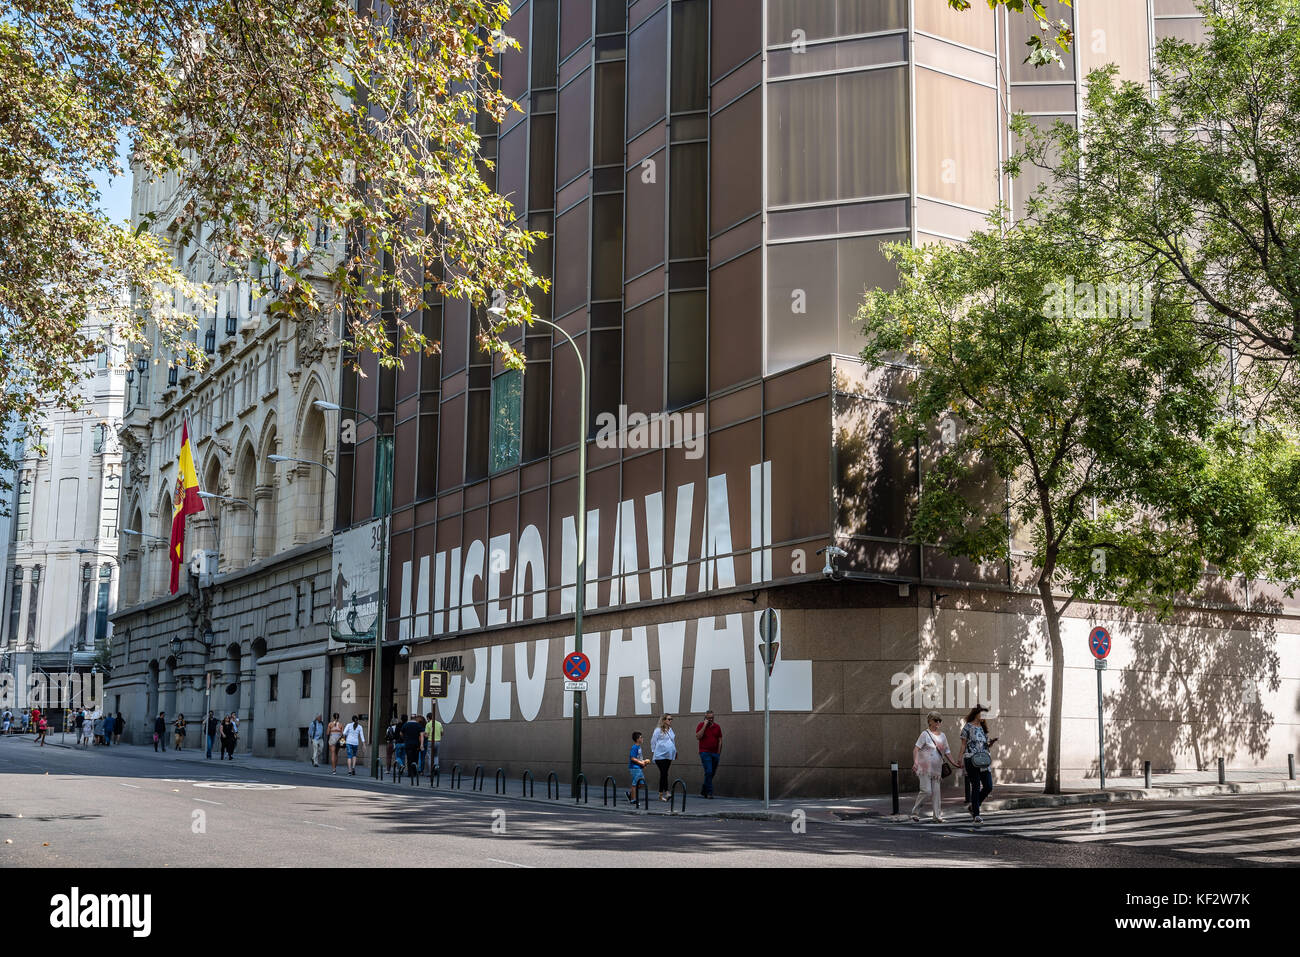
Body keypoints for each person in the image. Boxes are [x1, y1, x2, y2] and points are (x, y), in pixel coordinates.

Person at [911, 711, 961, 823]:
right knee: (926, 791)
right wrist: (915, 762)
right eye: (936, 720)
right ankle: (915, 812)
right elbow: (916, 749)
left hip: (936, 769)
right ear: (930, 721)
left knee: (936, 793)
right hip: (924, 768)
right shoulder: (925, 734)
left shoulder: (943, 736)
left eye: (940, 720)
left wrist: (954, 763)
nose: (938, 722)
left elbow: (947, 751)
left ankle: (937, 816)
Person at [961, 705, 996, 824]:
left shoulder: (983, 728)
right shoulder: (967, 727)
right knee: (975, 786)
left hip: (984, 760)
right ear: (976, 713)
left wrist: (990, 743)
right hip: (971, 759)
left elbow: (985, 744)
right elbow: (963, 745)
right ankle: (976, 814)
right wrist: (959, 759)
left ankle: (973, 806)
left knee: (989, 786)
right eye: (983, 714)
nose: (984, 717)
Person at [649, 714, 677, 801]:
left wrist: (675, 751)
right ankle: (667, 792)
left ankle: (661, 795)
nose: (670, 720)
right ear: (664, 720)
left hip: (669, 755)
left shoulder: (671, 730)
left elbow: (672, 741)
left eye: (671, 719)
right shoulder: (658, 730)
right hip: (660, 755)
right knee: (664, 773)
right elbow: (653, 741)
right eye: (669, 719)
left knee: (664, 774)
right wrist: (654, 751)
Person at [695, 710, 722, 799]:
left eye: (712, 718)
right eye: (709, 718)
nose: (711, 719)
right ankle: (710, 792)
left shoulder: (717, 727)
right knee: (709, 771)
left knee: (710, 773)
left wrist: (718, 753)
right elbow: (698, 737)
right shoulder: (700, 725)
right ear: (705, 718)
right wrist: (704, 725)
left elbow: (720, 740)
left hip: (715, 753)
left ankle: (704, 791)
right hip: (704, 752)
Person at [626, 731, 650, 802]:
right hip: (634, 768)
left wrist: (643, 763)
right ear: (637, 739)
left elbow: (638, 758)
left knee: (641, 784)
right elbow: (632, 758)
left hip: (638, 767)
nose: (642, 738)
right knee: (635, 784)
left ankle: (630, 794)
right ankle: (633, 799)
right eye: (641, 737)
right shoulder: (634, 747)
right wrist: (641, 763)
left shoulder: (639, 747)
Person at [401, 713, 425, 783]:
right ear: (415, 718)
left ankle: (409, 773)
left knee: (409, 758)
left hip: (408, 744)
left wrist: (405, 738)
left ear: (410, 718)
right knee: (415, 758)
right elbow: (421, 735)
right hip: (416, 745)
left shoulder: (406, 725)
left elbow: (401, 733)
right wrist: (421, 745)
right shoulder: (418, 725)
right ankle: (414, 772)